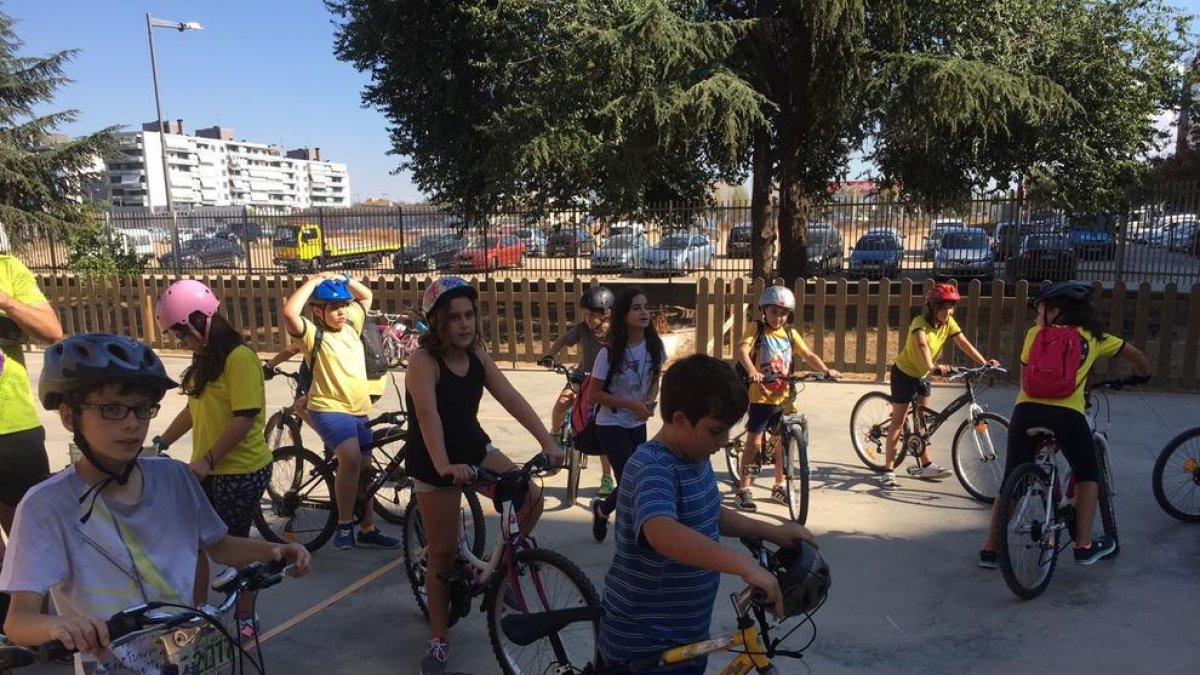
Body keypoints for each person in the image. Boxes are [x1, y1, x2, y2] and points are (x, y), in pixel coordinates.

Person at [0, 334, 309, 663]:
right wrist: (58, 625)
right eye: (112, 409)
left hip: (186, 654)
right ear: (68, 416)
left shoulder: (174, 478)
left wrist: (275, 551)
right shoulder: (46, 505)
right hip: (110, 666)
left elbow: (219, 546)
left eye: (142, 409)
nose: (133, 424)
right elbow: (19, 621)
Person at [598, 354, 817, 674]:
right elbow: (663, 533)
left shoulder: (695, 456)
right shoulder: (652, 467)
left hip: (688, 633)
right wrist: (743, 566)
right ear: (680, 419)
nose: (724, 441)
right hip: (646, 644)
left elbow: (709, 513)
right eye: (716, 431)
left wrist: (772, 530)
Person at [404, 276, 563, 674]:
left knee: (530, 496)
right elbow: (428, 415)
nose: (464, 324)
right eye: (454, 317)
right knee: (441, 556)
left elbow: (510, 397)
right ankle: (439, 639)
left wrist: (548, 442)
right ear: (437, 323)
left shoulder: (476, 356)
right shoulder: (423, 361)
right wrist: (443, 465)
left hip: (476, 450)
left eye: (470, 315)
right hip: (434, 460)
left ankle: (497, 569)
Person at [979, 281, 1150, 568]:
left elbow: (1025, 380)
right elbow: (1137, 357)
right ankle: (1083, 545)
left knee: (1011, 480)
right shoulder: (1095, 338)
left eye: (1041, 309)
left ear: (1056, 311)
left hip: (1026, 414)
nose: (1037, 315)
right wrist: (1143, 375)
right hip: (1067, 416)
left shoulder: (1035, 335)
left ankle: (990, 549)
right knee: (1087, 475)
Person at [151, 279, 274, 641]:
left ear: (198, 321)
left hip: (241, 469)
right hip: (207, 469)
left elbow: (244, 417)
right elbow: (194, 408)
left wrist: (207, 458)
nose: (180, 341)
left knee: (235, 549)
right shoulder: (205, 357)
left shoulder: (241, 358)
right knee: (195, 544)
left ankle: (245, 615)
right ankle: (197, 615)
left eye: (180, 333)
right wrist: (162, 440)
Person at [281, 273, 399, 551]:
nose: (342, 312)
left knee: (366, 470)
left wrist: (343, 278)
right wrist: (313, 282)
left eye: (344, 306)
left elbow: (366, 296)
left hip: (358, 410)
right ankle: (344, 525)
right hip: (329, 408)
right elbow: (289, 312)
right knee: (350, 458)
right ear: (318, 311)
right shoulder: (313, 335)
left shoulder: (351, 326)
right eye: (334, 308)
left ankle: (368, 527)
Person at [0, 220, 64, 628]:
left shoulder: (9, 269)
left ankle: (44, 625)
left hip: (13, 427)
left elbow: (53, 332)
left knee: (26, 532)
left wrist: (6, 301)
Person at [881, 282, 999, 489]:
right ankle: (888, 470)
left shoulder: (948, 324)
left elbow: (964, 343)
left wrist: (983, 362)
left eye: (952, 307)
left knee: (922, 420)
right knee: (898, 422)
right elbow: (921, 345)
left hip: (924, 375)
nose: (949, 311)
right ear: (933, 306)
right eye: (944, 307)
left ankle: (926, 463)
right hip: (905, 374)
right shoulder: (919, 322)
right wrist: (932, 366)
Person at [733, 285, 840, 510]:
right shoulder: (757, 328)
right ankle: (744, 488)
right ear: (764, 311)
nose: (779, 318)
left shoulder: (790, 334)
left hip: (784, 396)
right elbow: (742, 350)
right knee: (755, 441)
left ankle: (779, 485)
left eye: (783, 313)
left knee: (783, 442)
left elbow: (808, 354)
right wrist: (753, 370)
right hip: (761, 395)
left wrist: (825, 370)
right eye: (774, 312)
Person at [589, 287, 666, 543]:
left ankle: (602, 510)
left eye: (646, 307)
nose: (644, 312)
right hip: (610, 423)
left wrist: (649, 400)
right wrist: (629, 404)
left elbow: (655, 378)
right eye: (636, 308)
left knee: (634, 480)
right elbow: (594, 394)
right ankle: (633, 536)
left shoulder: (654, 345)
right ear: (623, 315)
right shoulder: (609, 352)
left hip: (636, 422)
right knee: (632, 480)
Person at [539, 285, 616, 495]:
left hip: (603, 384)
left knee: (601, 426)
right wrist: (549, 356)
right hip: (581, 377)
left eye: (593, 315)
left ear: (605, 314)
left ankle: (607, 477)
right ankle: (555, 442)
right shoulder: (582, 329)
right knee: (561, 404)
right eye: (586, 314)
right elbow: (563, 340)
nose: (589, 319)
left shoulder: (615, 334)